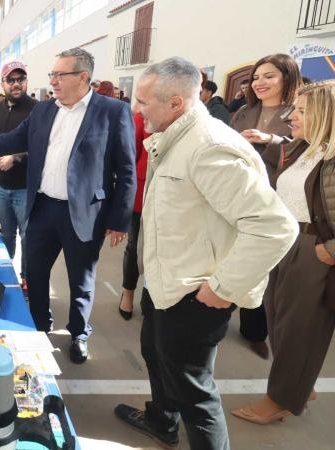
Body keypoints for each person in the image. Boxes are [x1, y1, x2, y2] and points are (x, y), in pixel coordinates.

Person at [114, 57, 296, 450]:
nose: (136, 109)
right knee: (156, 355)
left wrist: (221, 288)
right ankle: (162, 421)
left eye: (143, 101)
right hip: (165, 282)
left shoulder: (208, 147)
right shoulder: (175, 136)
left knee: (194, 393)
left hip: (195, 295)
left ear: (176, 102)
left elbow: (274, 226)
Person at [0, 48, 136, 364]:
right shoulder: (45, 111)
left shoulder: (112, 112)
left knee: (81, 280)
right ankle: (39, 325)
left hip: (83, 213)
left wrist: (120, 218)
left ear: (83, 77)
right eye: (52, 75)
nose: (53, 81)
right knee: (35, 271)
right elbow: (12, 140)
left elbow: (126, 169)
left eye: (60, 75)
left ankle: (79, 333)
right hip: (43, 207)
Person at [231, 80, 335, 425]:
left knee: (298, 330)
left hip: (313, 251)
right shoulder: (308, 148)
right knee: (277, 320)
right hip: (287, 243)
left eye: (303, 111)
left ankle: (279, 400)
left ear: (325, 114)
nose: (292, 116)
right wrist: (271, 140)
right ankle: (299, 386)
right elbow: (285, 150)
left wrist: (328, 251)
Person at [229, 53, 300, 359]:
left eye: (269, 76)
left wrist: (271, 139)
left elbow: (311, 147)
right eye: (256, 77)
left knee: (265, 268)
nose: (260, 83)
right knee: (234, 258)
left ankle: (256, 332)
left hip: (279, 203)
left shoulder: (298, 112)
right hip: (239, 197)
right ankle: (225, 317)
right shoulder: (244, 112)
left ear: (287, 78)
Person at [0, 60, 37, 294]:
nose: (17, 84)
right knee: (5, 234)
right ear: (3, 83)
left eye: (21, 79)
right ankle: (5, 277)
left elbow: (42, 147)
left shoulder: (38, 110)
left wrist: (15, 157)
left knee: (28, 237)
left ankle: (27, 280)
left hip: (25, 187)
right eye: (11, 80)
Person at [118, 104, 150, 320]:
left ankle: (151, 297)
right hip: (142, 191)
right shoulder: (143, 116)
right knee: (135, 246)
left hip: (173, 196)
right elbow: (130, 157)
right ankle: (127, 293)